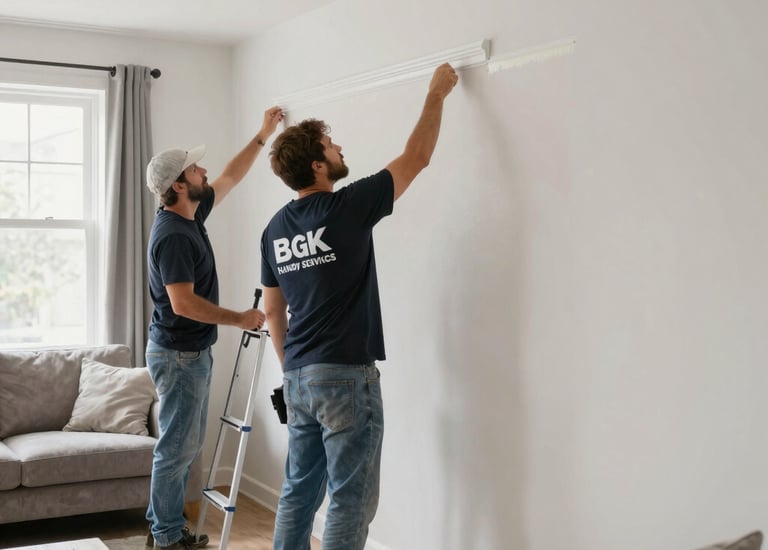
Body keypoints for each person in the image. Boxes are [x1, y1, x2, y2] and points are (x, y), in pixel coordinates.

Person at [260, 63, 458, 550]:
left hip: (300, 377)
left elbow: (271, 311)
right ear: (319, 166)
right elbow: (416, 157)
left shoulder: (274, 229)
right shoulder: (346, 207)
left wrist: (293, 373)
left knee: (298, 494)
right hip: (346, 375)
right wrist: (437, 92)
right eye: (332, 145)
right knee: (350, 499)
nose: (340, 148)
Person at [144, 106, 284, 550]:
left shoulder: (191, 217)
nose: (204, 170)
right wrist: (240, 317)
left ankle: (162, 527)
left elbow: (230, 175)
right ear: (178, 185)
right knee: (177, 449)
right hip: (179, 356)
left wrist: (263, 135)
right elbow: (183, 304)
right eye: (194, 167)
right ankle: (166, 537)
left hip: (189, 354)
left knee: (184, 448)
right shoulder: (174, 236)